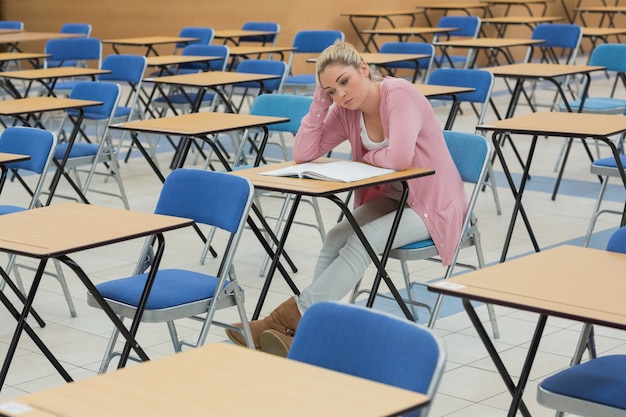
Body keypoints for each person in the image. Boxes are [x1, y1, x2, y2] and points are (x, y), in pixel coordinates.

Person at [226, 40, 467, 356]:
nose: (340, 94)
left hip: (434, 202)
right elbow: (304, 153)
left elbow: (400, 159)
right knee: (337, 234)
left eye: (344, 82)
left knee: (361, 240)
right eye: (330, 91)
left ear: (363, 69)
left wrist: (371, 157)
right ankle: (310, 328)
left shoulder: (398, 94)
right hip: (395, 196)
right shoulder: (345, 111)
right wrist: (318, 103)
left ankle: (293, 318)